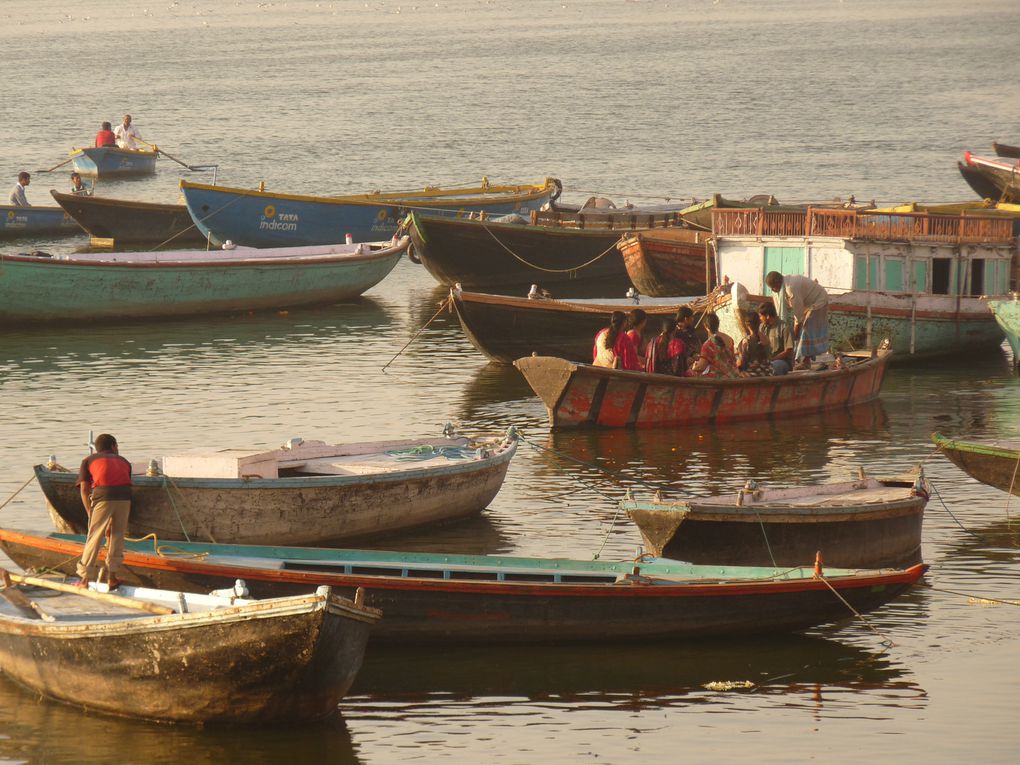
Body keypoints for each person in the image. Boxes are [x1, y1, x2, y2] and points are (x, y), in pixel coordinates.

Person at [75, 433, 132, 589]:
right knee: (117, 536)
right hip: (125, 497)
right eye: (117, 446)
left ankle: (85, 581)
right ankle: (111, 578)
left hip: (103, 496)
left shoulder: (88, 460)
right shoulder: (124, 461)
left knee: (95, 536)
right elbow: (124, 481)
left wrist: (89, 512)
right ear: (113, 446)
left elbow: (85, 489)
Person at [766, 271, 829, 370]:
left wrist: (794, 335)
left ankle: (805, 362)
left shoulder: (791, 288)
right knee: (801, 329)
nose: (773, 290)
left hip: (819, 300)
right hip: (807, 303)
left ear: (778, 283)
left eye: (773, 287)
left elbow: (798, 317)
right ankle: (802, 360)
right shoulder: (781, 288)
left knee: (806, 328)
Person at [697, 313, 739, 378]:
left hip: (719, 377)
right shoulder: (729, 339)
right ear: (718, 324)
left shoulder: (707, 344)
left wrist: (695, 367)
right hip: (734, 374)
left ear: (706, 326)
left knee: (690, 373)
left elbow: (701, 367)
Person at [758, 301, 794, 376]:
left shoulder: (784, 327)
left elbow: (788, 350)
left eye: (761, 316)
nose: (760, 319)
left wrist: (772, 359)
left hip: (782, 361)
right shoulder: (761, 327)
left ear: (767, 316)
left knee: (774, 367)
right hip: (766, 361)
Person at [735, 310, 771, 376]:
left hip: (753, 375)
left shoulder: (746, 341)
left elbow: (742, 362)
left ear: (746, 325)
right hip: (767, 373)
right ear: (759, 323)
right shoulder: (766, 338)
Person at [673, 305, 701, 375]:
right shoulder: (674, 332)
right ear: (686, 319)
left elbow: (698, 344)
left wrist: (698, 355)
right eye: (692, 317)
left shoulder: (691, 331)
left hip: (696, 362)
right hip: (680, 364)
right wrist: (687, 357)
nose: (693, 319)